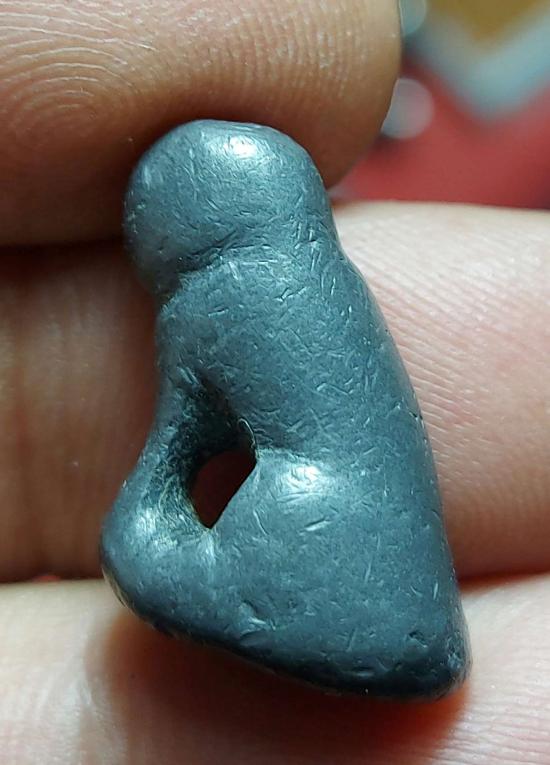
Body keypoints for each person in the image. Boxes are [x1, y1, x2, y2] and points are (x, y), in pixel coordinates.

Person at [0, 1, 548, 763]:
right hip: (370, 557)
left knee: (141, 549)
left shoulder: (219, 295)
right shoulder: (313, 270)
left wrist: (138, 534)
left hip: (323, 541)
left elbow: (186, 428)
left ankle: (330, 613)